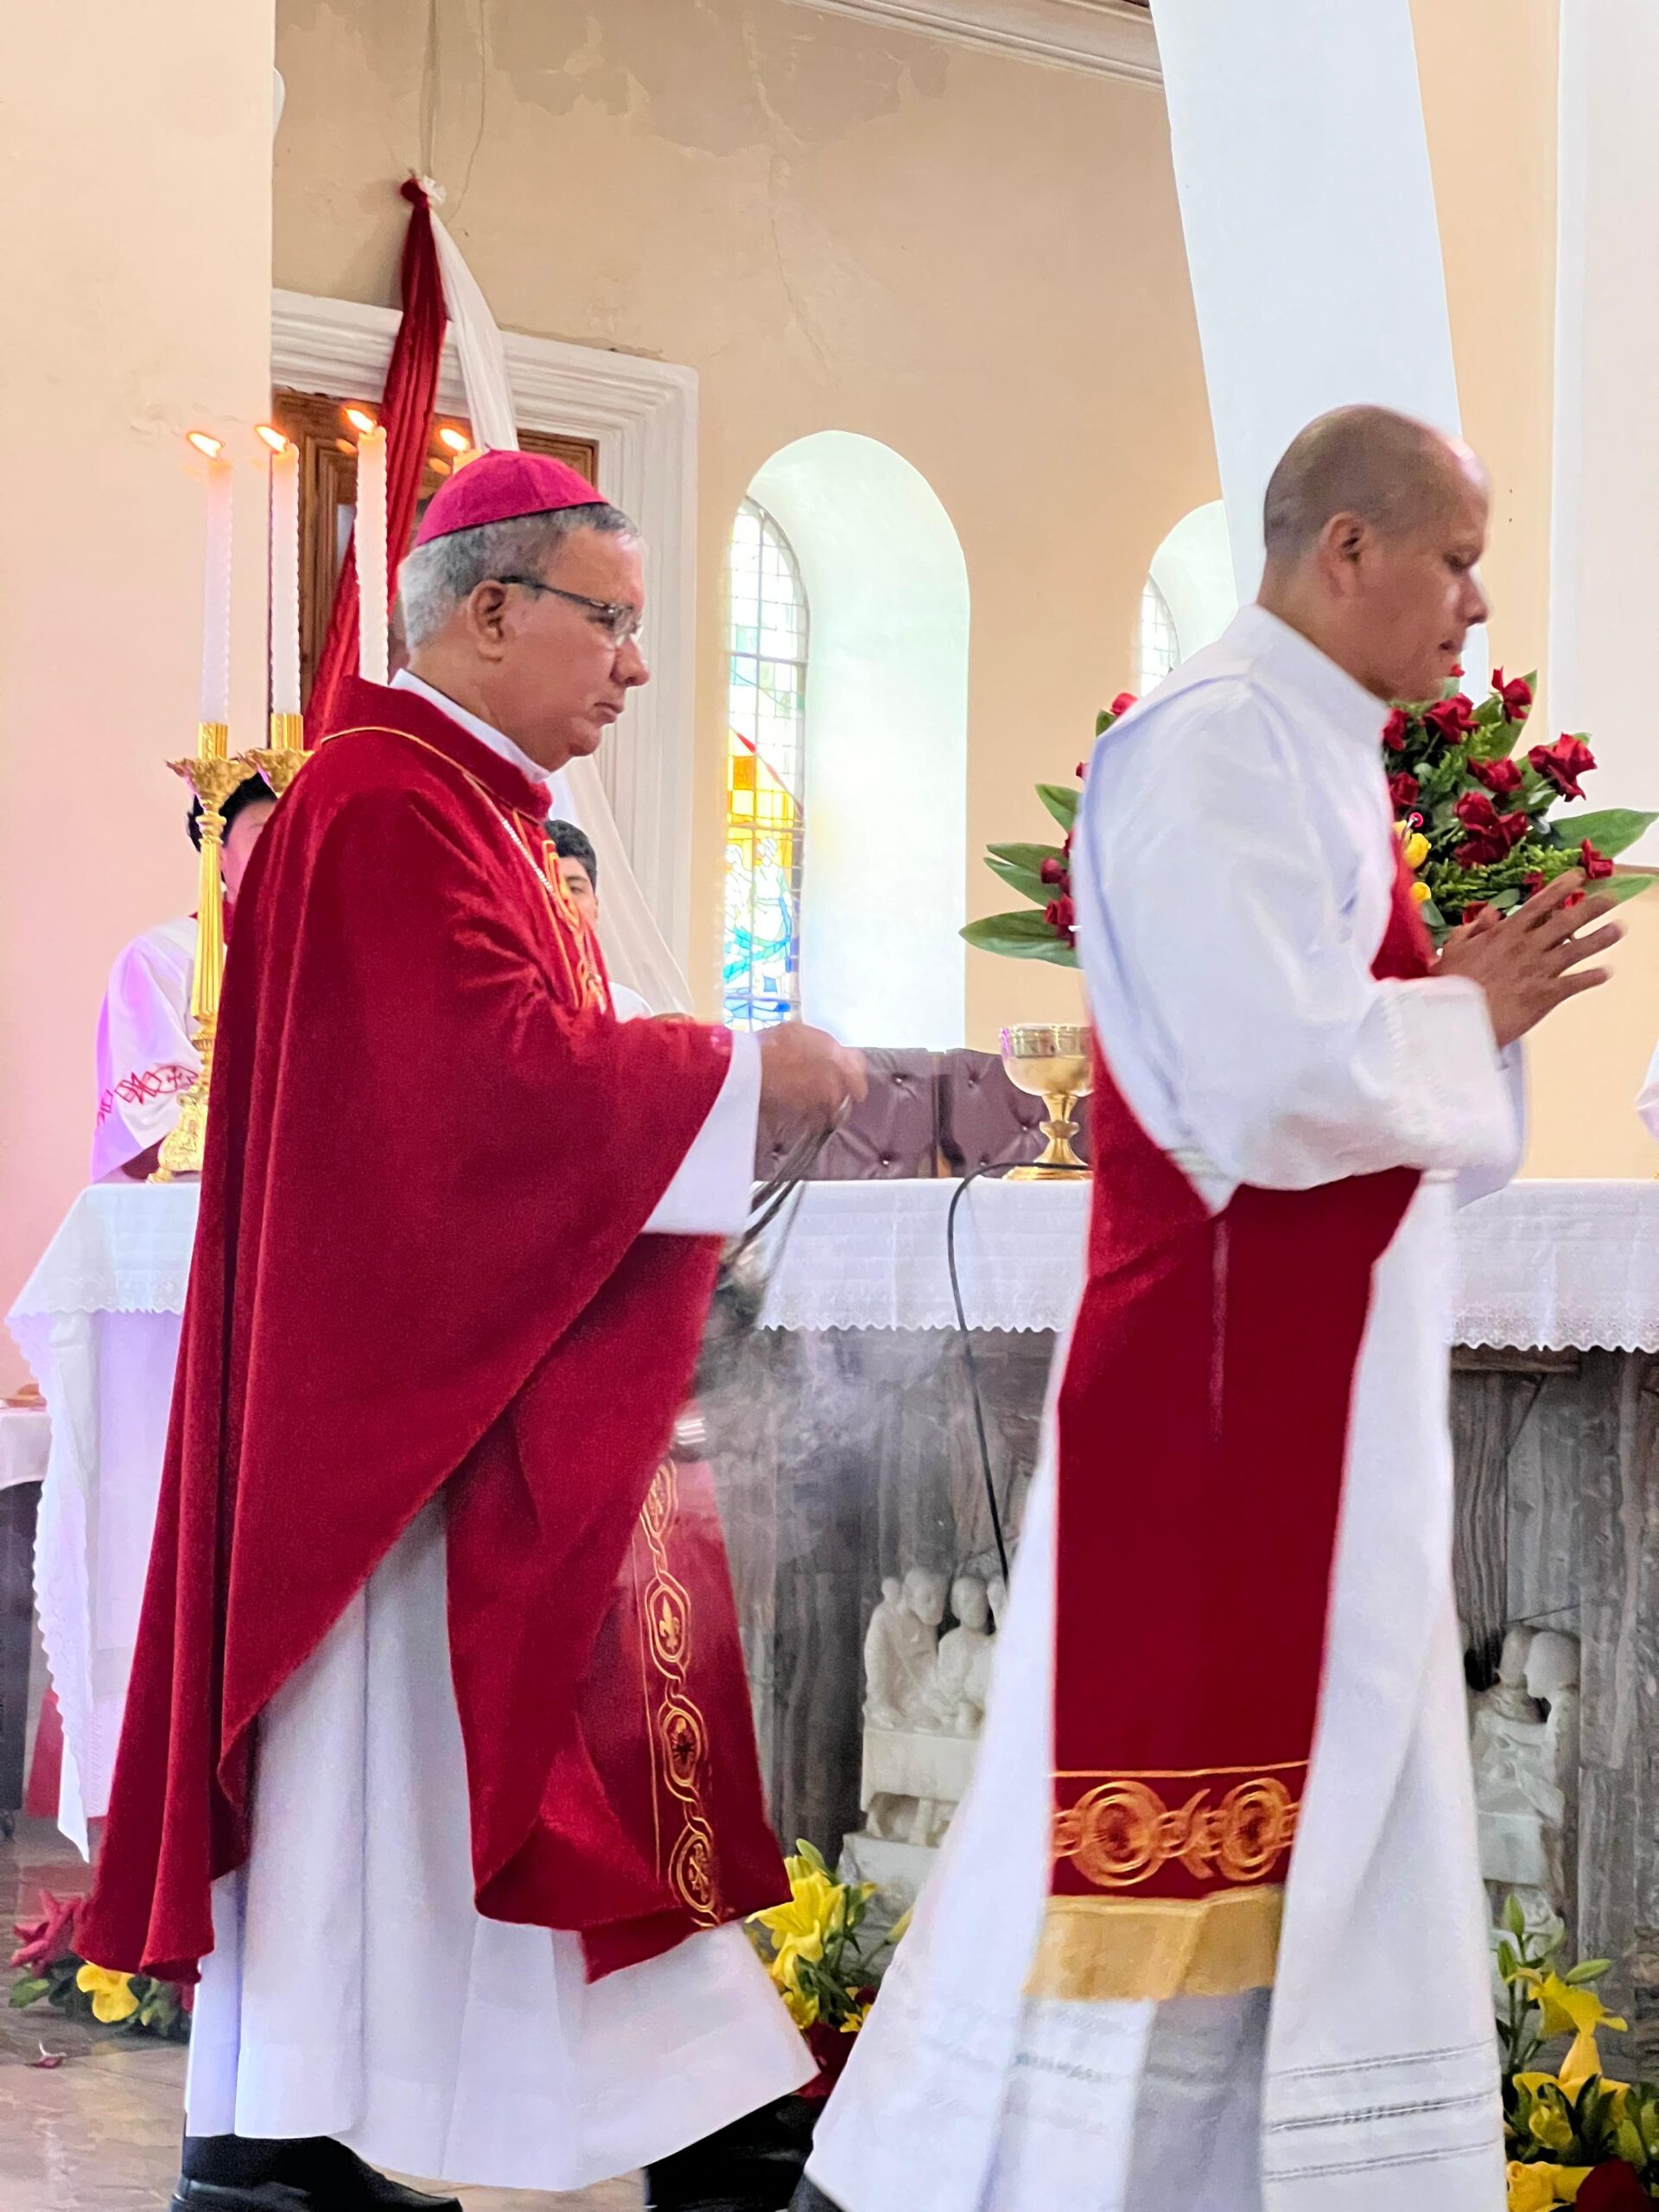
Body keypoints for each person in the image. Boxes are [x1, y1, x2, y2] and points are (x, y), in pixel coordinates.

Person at [799, 407, 1618, 2212]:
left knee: (1299, 1827)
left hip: (1317, 1400)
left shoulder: (1323, 755)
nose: (1477, 603)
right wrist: (1458, 1014)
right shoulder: (1211, 749)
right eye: (1456, 557)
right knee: (1172, 1853)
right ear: (1346, 548)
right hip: (1233, 1398)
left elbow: (1372, 1098)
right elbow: (1256, 1081)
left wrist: (1461, 1020)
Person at [76, 448, 865, 2212]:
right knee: (418, 1791)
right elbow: (481, 1105)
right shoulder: (382, 801)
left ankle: (336, 2131)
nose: (639, 667)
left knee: (445, 1809)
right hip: (400, 1463)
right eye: (616, 620)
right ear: (491, 611)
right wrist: (744, 1067)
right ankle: (324, 2134)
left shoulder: (465, 807)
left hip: (452, 1419)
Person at [91, 778, 276, 1180]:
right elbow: (146, 1141)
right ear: (217, 852)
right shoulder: (163, 957)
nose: (284, 853)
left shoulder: (342, 960)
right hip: (196, 1204)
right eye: (264, 835)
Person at [545, 816, 652, 1020]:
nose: (563, 903)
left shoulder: (629, 1011)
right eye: (549, 888)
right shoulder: (506, 1010)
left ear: (595, 908)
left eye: (574, 889)